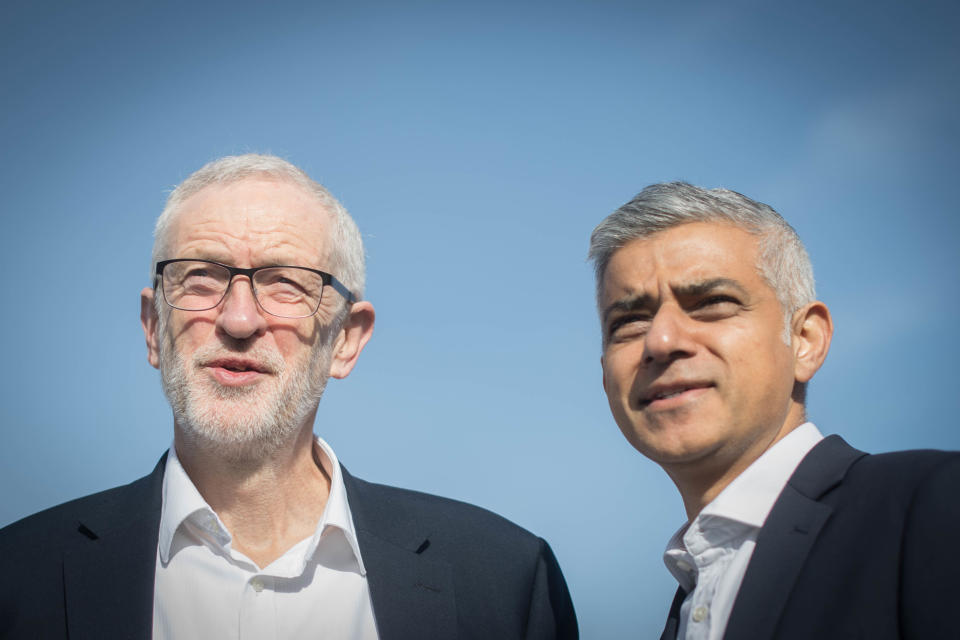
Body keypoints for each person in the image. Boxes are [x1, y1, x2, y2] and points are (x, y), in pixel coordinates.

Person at [0, 154, 577, 639]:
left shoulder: (504, 581)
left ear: (346, 341)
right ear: (153, 327)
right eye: (201, 277)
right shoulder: (17, 580)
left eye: (286, 284)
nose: (240, 318)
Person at [588, 182, 958, 640]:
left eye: (711, 304)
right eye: (629, 322)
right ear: (605, 375)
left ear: (805, 340)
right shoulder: (692, 594)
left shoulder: (934, 506)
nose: (661, 342)